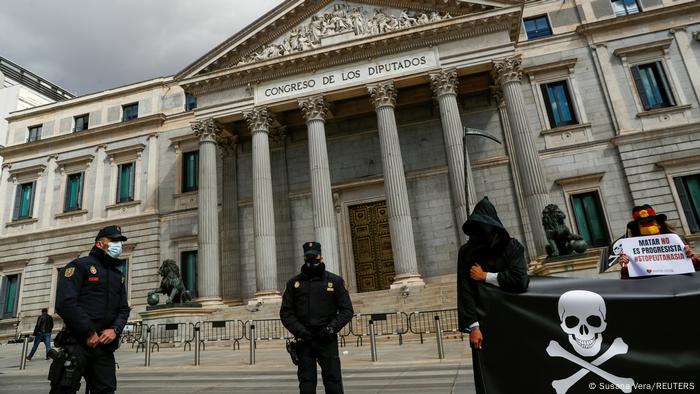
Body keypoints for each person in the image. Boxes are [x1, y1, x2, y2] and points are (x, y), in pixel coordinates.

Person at [457, 197, 529, 394]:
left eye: (483, 227)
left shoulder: (512, 247)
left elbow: (520, 280)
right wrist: (473, 326)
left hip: (512, 320)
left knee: (517, 371)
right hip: (484, 325)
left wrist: (485, 276)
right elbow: (465, 290)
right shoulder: (467, 252)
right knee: (487, 376)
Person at [51, 225, 131, 394]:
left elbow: (124, 309)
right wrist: (88, 332)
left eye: (120, 241)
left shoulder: (118, 276)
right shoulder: (80, 266)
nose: (119, 245)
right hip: (78, 343)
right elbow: (65, 303)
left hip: (104, 346)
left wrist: (115, 329)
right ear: (100, 244)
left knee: (106, 390)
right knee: (64, 388)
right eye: (114, 241)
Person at [280, 241, 354, 394]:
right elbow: (286, 313)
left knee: (333, 382)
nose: (312, 258)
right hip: (304, 341)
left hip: (327, 339)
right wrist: (301, 332)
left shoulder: (335, 281)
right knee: (306, 384)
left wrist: (331, 329)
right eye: (308, 256)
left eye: (315, 255)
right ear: (304, 258)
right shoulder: (294, 283)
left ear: (321, 257)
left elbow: (347, 310)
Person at [617, 205, 699, 279]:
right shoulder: (631, 250)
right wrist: (626, 267)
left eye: (650, 221)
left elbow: (696, 273)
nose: (647, 225)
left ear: (659, 224)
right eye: (643, 223)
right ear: (638, 229)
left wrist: (692, 259)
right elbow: (628, 283)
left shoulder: (676, 242)